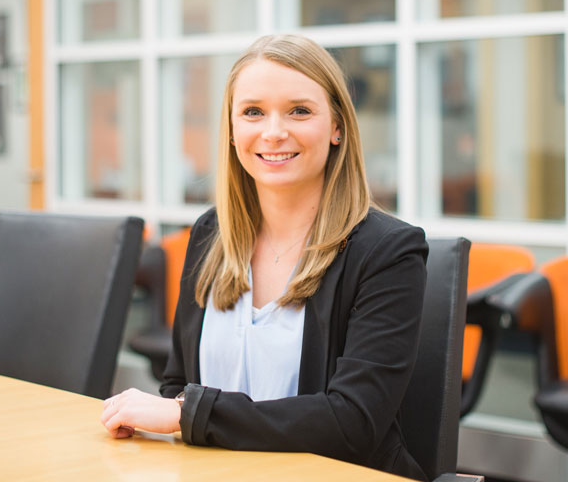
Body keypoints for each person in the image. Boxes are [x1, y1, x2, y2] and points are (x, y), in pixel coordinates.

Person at [101, 34, 429, 480]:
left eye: (300, 110)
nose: (273, 132)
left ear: (337, 127)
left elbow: (353, 424)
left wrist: (190, 417)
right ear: (233, 130)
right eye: (253, 112)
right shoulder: (209, 235)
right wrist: (187, 417)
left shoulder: (388, 252)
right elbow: (179, 385)